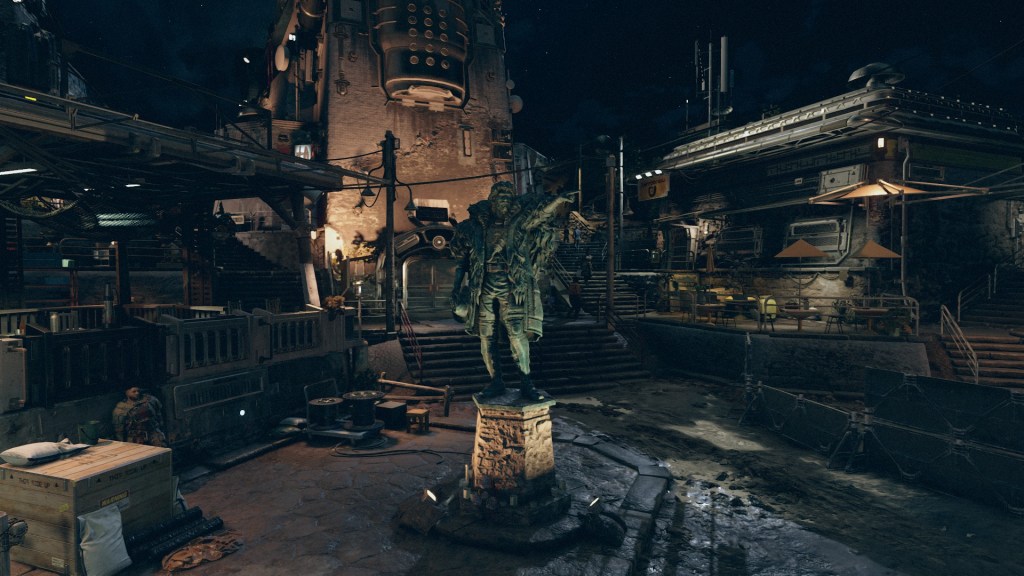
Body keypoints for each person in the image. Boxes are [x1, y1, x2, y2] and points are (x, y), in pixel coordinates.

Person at [450, 181, 574, 401]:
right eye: (500, 197)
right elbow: (463, 260)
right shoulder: (476, 227)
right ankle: (495, 382)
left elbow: (539, 215)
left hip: (512, 285)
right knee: (486, 336)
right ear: (492, 201)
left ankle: (526, 383)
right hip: (483, 285)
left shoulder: (519, 224)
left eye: (508, 197)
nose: (504, 201)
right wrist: (456, 288)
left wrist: (557, 200)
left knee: (517, 333)